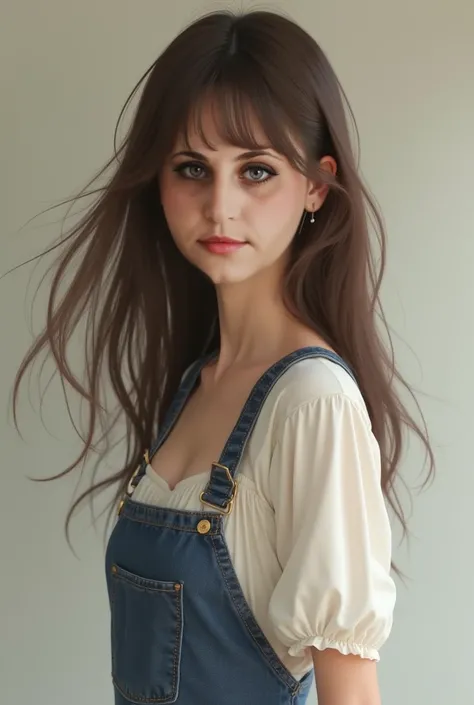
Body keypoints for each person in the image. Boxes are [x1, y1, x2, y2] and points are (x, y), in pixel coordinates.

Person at [12, 9, 434, 705]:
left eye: (257, 170)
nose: (220, 206)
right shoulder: (195, 383)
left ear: (316, 187)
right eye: (192, 169)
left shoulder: (313, 403)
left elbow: (351, 693)